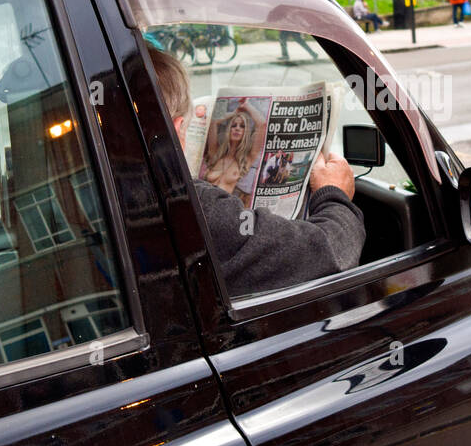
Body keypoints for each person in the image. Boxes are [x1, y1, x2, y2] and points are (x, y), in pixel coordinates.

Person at [147, 47, 365, 295]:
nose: (236, 128)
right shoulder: (191, 207)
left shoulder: (110, 189)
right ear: (175, 130)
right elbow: (332, 253)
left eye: (241, 125)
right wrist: (333, 193)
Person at [202, 101, 265, 210]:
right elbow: (213, 123)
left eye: (242, 126)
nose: (237, 128)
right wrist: (234, 112)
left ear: (246, 132)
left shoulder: (247, 159)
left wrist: (247, 105)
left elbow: (262, 125)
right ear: (229, 129)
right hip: (202, 203)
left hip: (221, 209)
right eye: (233, 125)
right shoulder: (215, 153)